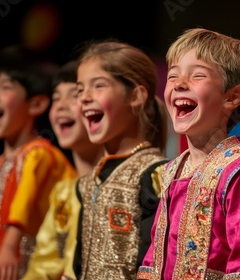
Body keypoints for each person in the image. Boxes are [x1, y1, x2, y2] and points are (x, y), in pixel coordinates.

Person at [137, 28, 240, 280]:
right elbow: (155, 255)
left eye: (197, 75)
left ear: (232, 96)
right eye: (173, 76)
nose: (179, 84)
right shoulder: (172, 170)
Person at [0, 45, 76, 280]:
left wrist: (7, 249)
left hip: (23, 269)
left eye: (5, 87)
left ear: (35, 104)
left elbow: (22, 208)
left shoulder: (37, 154)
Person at [73, 40, 169, 280]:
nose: (84, 97)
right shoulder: (87, 183)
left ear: (135, 95)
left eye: (98, 86)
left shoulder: (154, 174)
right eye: (79, 89)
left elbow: (153, 263)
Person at [22, 60, 104, 280]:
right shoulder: (64, 192)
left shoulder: (118, 187)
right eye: (56, 97)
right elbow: (43, 264)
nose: (60, 105)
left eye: (74, 95)